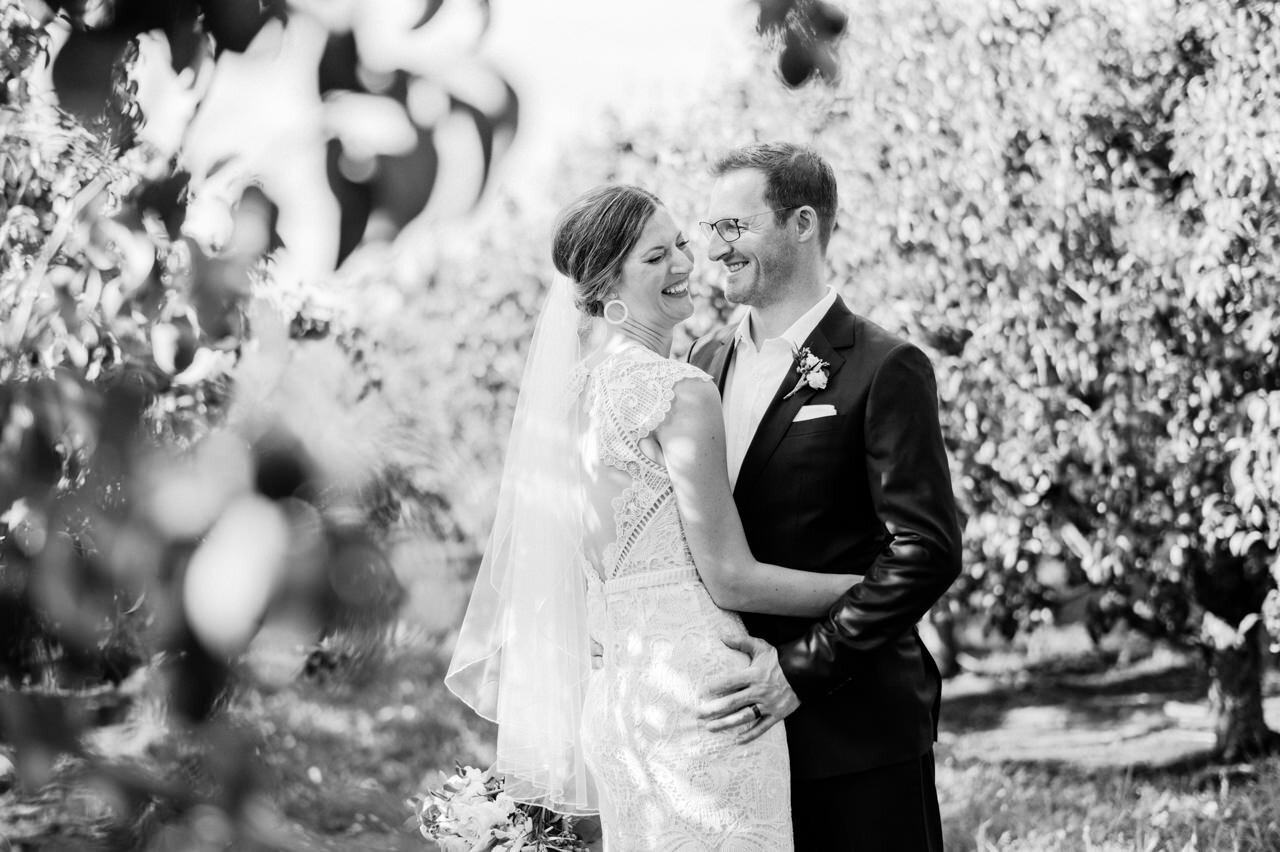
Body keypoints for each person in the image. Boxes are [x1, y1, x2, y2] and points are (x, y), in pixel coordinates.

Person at [446, 184, 860, 851]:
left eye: (681, 246)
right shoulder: (677, 391)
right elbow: (729, 578)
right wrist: (868, 588)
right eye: (655, 258)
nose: (683, 267)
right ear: (609, 283)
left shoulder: (569, 399)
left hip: (619, 704)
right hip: (705, 699)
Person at [687, 142, 963, 851]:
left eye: (734, 227)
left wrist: (803, 669)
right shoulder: (700, 364)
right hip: (728, 730)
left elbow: (924, 552)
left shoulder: (885, 367)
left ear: (802, 224)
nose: (715, 247)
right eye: (709, 227)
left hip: (855, 729)